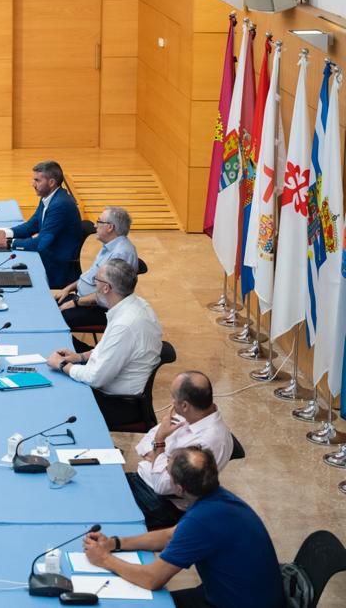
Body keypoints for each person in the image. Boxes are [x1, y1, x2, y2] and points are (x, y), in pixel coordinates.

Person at [83, 447, 284, 608]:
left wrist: (104, 559)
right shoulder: (219, 499)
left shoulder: (202, 520)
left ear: (179, 488)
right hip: (238, 594)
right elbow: (171, 536)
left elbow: (152, 578)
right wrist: (115, 543)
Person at [46, 259, 162, 427]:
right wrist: (79, 357)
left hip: (118, 403)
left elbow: (95, 378)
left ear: (106, 288)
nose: (94, 284)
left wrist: (63, 364)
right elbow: (107, 349)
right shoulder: (136, 305)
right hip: (113, 389)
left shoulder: (125, 325)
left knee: (54, 401)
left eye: (96, 280)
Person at [128, 371, 234, 529]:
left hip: (162, 504)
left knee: (99, 507)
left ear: (185, 405)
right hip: (144, 479)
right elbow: (145, 443)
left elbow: (162, 486)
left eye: (173, 397)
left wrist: (159, 443)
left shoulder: (209, 441)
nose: (171, 402)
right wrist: (162, 456)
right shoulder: (191, 414)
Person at [0, 161, 83, 288]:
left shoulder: (60, 205)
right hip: (48, 255)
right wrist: (6, 233)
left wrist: (8, 243)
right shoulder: (49, 196)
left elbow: (41, 243)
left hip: (57, 267)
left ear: (52, 183)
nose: (33, 184)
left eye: (37, 180)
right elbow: (32, 225)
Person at [54, 206, 138, 329]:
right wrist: (67, 289)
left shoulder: (121, 254)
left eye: (99, 221)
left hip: (99, 308)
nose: (95, 225)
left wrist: (74, 303)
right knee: (47, 307)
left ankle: (82, 348)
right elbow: (90, 276)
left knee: (54, 319)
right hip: (83, 299)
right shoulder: (109, 246)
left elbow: (107, 294)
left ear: (110, 227)